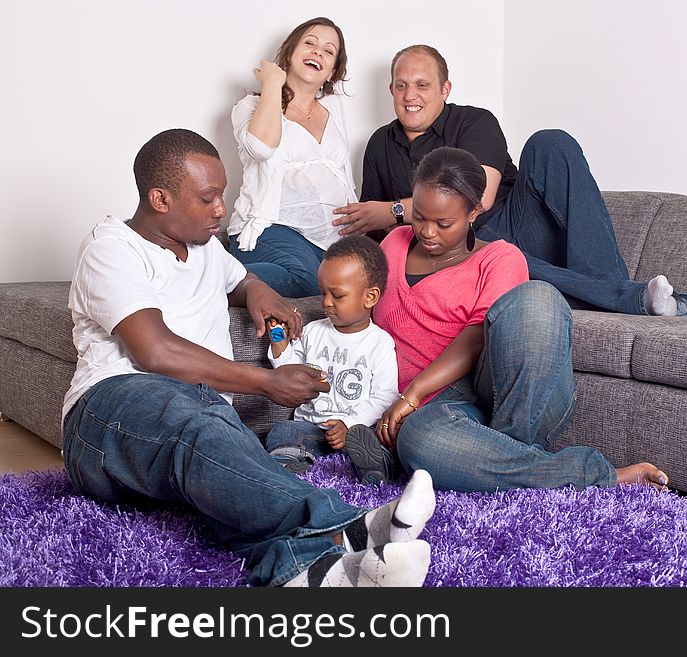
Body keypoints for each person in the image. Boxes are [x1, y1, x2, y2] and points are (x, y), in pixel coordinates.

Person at [62, 128, 436, 587]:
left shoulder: (205, 246)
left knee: (224, 468)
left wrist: (259, 291)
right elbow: (154, 350)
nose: (222, 209)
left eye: (221, 194)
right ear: (160, 198)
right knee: (199, 427)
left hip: (200, 414)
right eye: (207, 198)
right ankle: (353, 525)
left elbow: (239, 281)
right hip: (110, 412)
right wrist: (266, 382)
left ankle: (313, 572)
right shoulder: (111, 249)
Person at [348, 146, 669, 493]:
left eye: (443, 223)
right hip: (435, 415)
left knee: (538, 298)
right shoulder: (395, 242)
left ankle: (524, 457)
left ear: (473, 212)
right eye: (419, 216)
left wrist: (413, 394)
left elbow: (475, 339)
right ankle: (526, 466)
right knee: (421, 441)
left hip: (503, 395)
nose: (427, 232)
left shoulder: (499, 258)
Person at [332, 44, 687, 316]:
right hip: (454, 250)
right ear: (391, 90)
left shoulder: (476, 122)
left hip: (515, 221)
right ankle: (631, 298)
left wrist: (393, 210)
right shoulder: (379, 143)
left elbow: (478, 198)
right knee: (489, 254)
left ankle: (611, 292)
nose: (410, 96)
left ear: (445, 90)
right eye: (401, 86)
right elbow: (373, 225)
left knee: (550, 142)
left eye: (423, 85)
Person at [227, 17, 357, 298]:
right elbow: (261, 148)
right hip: (273, 230)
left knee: (359, 282)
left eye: (328, 50)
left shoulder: (335, 108)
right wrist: (274, 83)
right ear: (290, 52)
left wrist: (356, 223)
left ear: (333, 70)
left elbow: (341, 175)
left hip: (329, 239)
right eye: (309, 43)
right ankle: (212, 274)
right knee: (309, 280)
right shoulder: (250, 106)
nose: (317, 52)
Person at [263, 235, 400, 485]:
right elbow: (289, 374)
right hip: (314, 428)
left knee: (373, 438)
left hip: (356, 429)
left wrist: (348, 425)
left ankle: (375, 466)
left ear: (369, 297)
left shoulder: (379, 343)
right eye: (323, 292)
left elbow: (385, 397)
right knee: (284, 431)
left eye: (337, 295)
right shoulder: (314, 332)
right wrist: (279, 340)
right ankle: (290, 462)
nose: (326, 302)